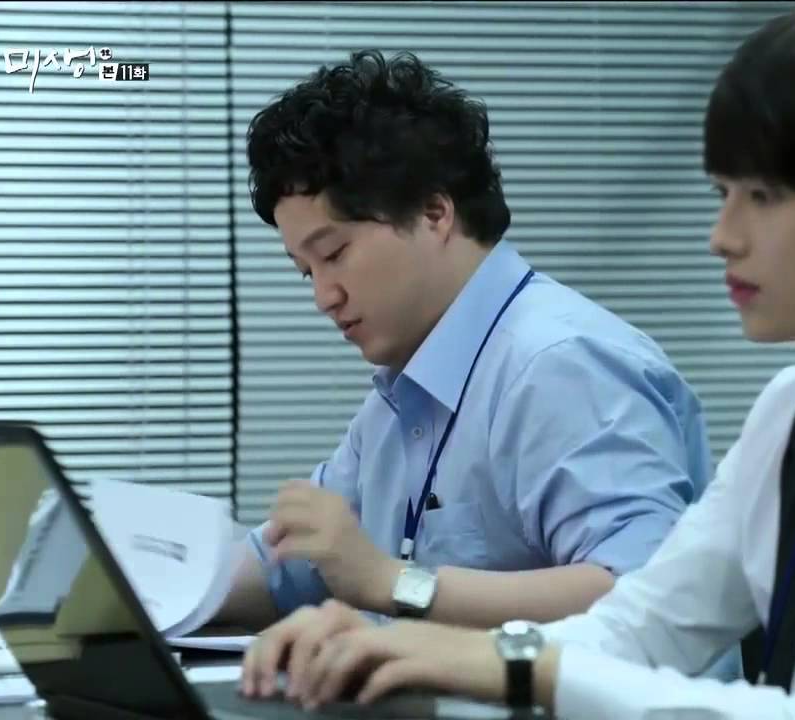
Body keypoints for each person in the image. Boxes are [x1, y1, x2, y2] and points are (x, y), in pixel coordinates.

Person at [236, 3, 795, 718]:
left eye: (762, 198)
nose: (721, 236)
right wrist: (415, 648)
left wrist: (462, 642)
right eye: (721, 193)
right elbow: (642, 625)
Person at [213, 49, 719, 644]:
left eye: (334, 254)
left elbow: (642, 593)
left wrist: (396, 584)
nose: (324, 296)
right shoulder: (400, 399)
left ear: (434, 212)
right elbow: (287, 569)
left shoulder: (560, 363)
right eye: (306, 271)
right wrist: (145, 585)